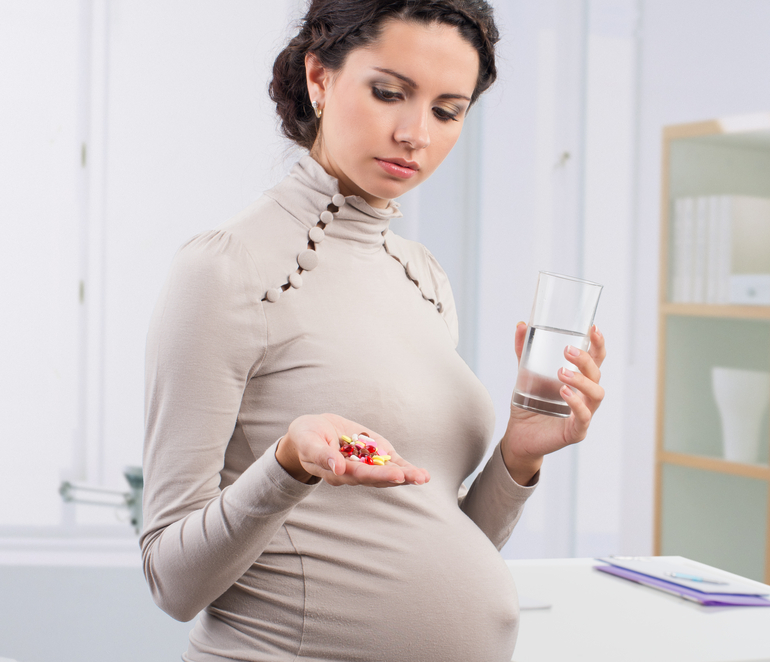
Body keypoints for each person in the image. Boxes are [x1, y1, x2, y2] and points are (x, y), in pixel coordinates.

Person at [141, 1, 606, 660]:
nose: (415, 132)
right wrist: (288, 465)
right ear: (320, 78)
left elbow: (426, 538)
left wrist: (518, 456)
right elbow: (170, 580)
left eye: (448, 111)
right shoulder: (224, 270)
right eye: (389, 93)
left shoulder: (424, 277)